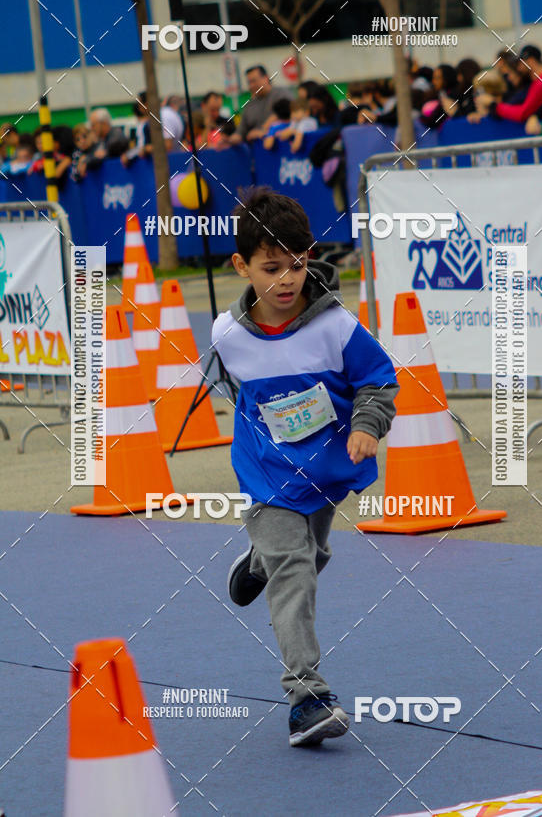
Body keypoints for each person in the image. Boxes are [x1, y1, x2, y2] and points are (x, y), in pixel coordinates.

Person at [211, 187, 398, 747]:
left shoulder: (336, 327)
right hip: (267, 473)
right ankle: (307, 699)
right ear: (241, 265)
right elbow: (233, 387)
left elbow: (380, 379)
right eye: (272, 267)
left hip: (324, 470)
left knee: (312, 555)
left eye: (298, 263)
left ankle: (258, 562)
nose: (288, 278)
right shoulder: (227, 335)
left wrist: (366, 425)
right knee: (295, 569)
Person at [487, 45, 542, 124]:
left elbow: (523, 113)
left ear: (531, 61)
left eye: (521, 63)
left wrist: (495, 106)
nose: (519, 67)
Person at [229, 66, 293, 143]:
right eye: (249, 82)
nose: (251, 86)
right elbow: (240, 132)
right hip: (257, 152)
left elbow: (294, 120)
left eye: (254, 81)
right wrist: (229, 140)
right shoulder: (250, 105)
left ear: (266, 78)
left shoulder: (282, 95)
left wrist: (264, 132)